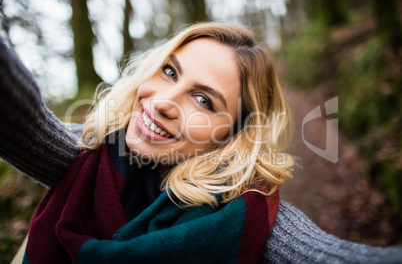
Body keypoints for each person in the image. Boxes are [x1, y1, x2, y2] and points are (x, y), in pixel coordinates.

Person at [0, 22, 401, 264]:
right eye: (170, 72)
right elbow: (20, 117)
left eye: (204, 100)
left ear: (234, 134)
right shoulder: (88, 152)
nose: (162, 103)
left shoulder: (249, 217)